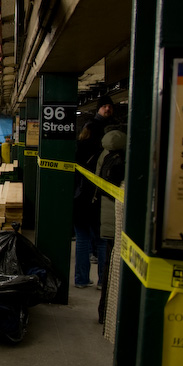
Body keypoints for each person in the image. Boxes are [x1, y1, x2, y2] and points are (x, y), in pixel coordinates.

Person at [73, 95, 116, 288]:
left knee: (83, 239)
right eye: (104, 106)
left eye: (109, 106)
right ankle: (102, 281)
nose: (107, 109)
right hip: (101, 197)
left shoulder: (83, 142)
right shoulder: (113, 142)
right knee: (101, 240)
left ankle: (82, 280)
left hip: (83, 195)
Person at [95, 129, 127, 323]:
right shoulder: (122, 160)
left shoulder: (105, 155)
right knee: (114, 268)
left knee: (109, 264)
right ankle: (110, 314)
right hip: (118, 221)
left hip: (106, 217)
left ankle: (104, 313)